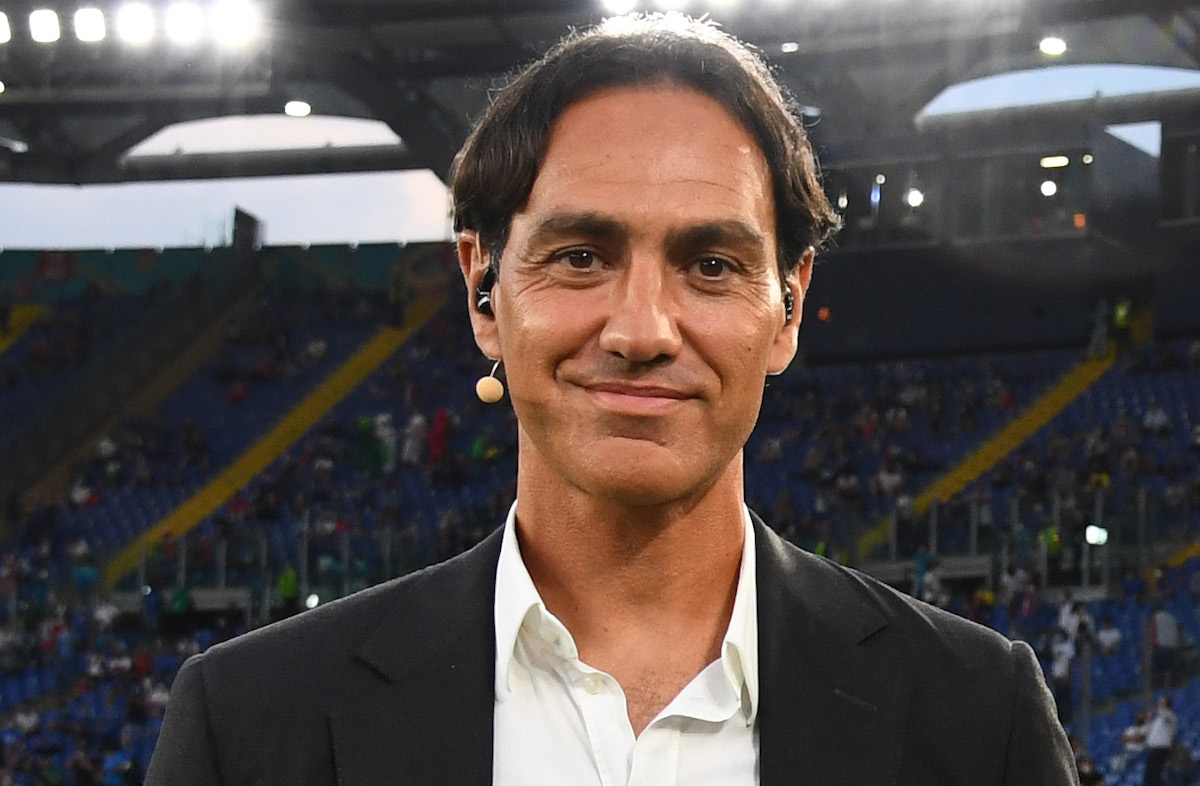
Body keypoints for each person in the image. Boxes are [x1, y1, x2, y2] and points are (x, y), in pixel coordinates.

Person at [147, 13, 1076, 785]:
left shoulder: (975, 716)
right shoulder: (250, 724)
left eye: (711, 266)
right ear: (481, 289)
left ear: (788, 308)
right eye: (581, 256)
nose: (642, 330)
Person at [1143, 695, 1178, 786]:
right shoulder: (1157, 720)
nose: (1158, 704)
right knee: (1149, 775)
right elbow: (1148, 731)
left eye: (1161, 703)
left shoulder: (1171, 716)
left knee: (1155, 774)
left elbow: (1164, 714)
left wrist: (1156, 710)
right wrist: (1149, 720)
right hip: (1153, 749)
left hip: (1161, 749)